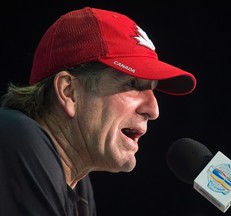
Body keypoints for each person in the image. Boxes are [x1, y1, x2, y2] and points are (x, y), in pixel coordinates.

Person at [0, 6, 196, 216]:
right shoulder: (16, 138)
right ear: (69, 92)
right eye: (132, 83)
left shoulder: (79, 187)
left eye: (153, 90)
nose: (153, 110)